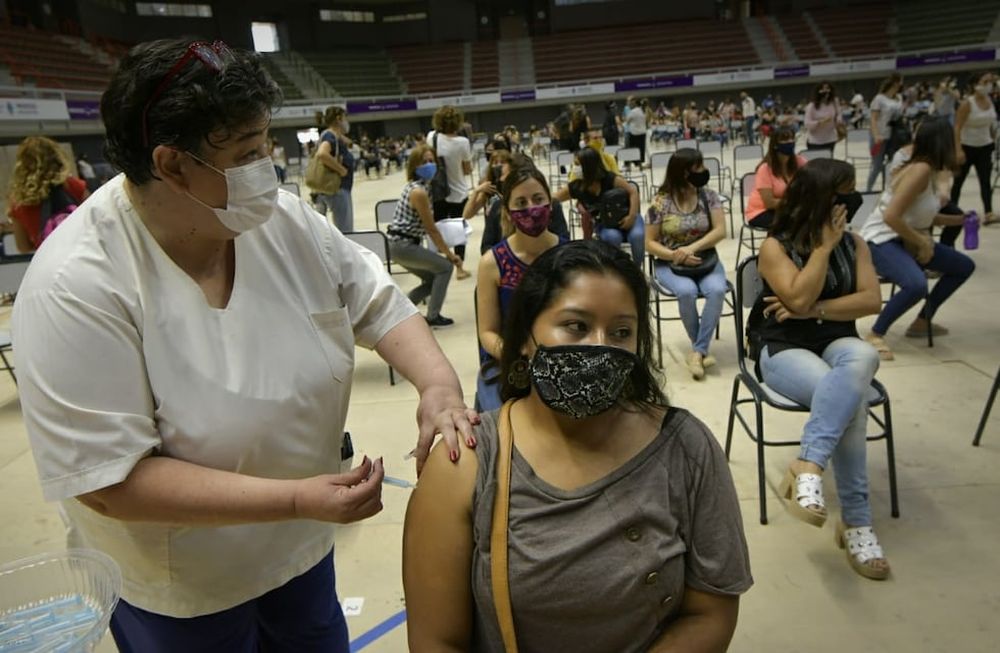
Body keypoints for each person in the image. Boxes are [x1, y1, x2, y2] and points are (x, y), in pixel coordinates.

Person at [11, 39, 477, 653]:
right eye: (249, 151)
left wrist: (437, 385)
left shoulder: (278, 221)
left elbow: (374, 297)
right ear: (173, 165)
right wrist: (292, 496)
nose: (271, 165)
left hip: (300, 546)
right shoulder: (76, 283)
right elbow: (109, 479)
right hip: (184, 588)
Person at [403, 239, 752, 651]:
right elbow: (436, 641)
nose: (600, 344)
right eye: (576, 325)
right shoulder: (465, 463)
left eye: (621, 331)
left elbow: (710, 613)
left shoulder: (687, 448)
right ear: (528, 337)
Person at [755, 158, 890, 580]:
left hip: (836, 341)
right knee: (849, 401)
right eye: (843, 194)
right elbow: (793, 298)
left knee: (864, 357)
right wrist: (823, 249)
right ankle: (857, 522)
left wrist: (813, 310)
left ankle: (808, 465)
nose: (851, 202)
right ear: (820, 198)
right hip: (780, 347)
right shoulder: (776, 246)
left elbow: (871, 301)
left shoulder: (858, 244)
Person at [860, 118, 976, 361]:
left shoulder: (931, 169)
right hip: (881, 239)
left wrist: (958, 221)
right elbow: (891, 216)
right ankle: (875, 333)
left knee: (963, 266)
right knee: (915, 284)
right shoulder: (920, 170)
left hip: (904, 236)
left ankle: (922, 321)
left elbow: (921, 216)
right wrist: (922, 242)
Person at [475, 165, 566, 411]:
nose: (531, 208)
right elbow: (487, 333)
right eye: (521, 202)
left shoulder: (570, 256)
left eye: (538, 199)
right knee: (504, 434)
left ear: (551, 203)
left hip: (562, 361)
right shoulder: (492, 264)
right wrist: (518, 353)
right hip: (508, 365)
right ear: (507, 211)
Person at [645, 148, 728, 380]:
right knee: (687, 291)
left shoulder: (708, 196)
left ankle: (697, 352)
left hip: (705, 259)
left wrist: (691, 248)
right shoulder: (660, 203)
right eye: (698, 168)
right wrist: (675, 255)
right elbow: (649, 243)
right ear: (683, 173)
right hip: (670, 263)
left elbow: (721, 230)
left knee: (717, 290)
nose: (703, 172)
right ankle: (700, 350)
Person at [387, 145, 465, 327]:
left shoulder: (422, 188)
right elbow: (431, 229)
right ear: (415, 166)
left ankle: (399, 314)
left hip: (400, 245)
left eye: (432, 161)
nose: (430, 165)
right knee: (445, 268)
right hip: (403, 245)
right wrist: (449, 254)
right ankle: (433, 316)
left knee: (432, 278)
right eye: (424, 162)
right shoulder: (419, 192)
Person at [554, 147, 644, 265]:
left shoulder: (610, 179)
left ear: (588, 166)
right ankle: (618, 271)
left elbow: (633, 192)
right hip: (606, 224)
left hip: (629, 217)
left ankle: (637, 269)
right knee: (612, 237)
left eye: (577, 164)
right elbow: (554, 198)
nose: (574, 168)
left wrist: (632, 216)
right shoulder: (577, 186)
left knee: (637, 236)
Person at [6, 135, 89, 252]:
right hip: (84, 252)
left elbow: (23, 248)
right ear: (56, 157)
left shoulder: (18, 203)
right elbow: (95, 218)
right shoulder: (73, 185)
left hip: (54, 264)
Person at [477, 154, 570, 254]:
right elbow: (486, 246)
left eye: (505, 175)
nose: (501, 179)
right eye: (521, 202)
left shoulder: (552, 205)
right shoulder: (497, 206)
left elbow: (563, 241)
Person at [427, 104, 473, 279]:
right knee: (459, 233)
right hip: (458, 192)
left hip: (438, 192)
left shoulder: (432, 137)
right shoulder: (462, 142)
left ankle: (437, 267)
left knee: (437, 231)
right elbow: (467, 169)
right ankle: (460, 269)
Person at [951, 71, 999, 225]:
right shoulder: (967, 103)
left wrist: (992, 136)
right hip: (967, 146)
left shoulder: (990, 101)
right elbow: (957, 127)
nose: (989, 85)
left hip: (985, 146)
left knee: (985, 180)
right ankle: (951, 212)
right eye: (985, 82)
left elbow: (991, 121)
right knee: (958, 182)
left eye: (990, 82)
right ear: (975, 85)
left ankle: (988, 212)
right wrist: (958, 150)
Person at [745, 126, 808, 229]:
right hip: (762, 211)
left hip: (787, 208)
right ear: (775, 145)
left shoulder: (799, 161)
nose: (790, 141)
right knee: (795, 223)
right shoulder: (765, 169)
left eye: (792, 138)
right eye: (785, 139)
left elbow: (814, 178)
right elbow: (769, 203)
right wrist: (796, 203)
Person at [314, 105, 356, 232]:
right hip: (338, 188)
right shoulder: (329, 136)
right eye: (345, 118)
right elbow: (322, 154)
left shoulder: (333, 135)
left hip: (341, 188)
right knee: (345, 231)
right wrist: (341, 169)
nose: (346, 122)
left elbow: (347, 141)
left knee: (345, 228)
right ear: (339, 119)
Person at [866, 74, 904, 192]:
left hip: (894, 136)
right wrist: (876, 134)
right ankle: (868, 189)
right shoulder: (879, 99)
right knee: (877, 165)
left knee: (893, 163)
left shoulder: (898, 98)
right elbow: (873, 118)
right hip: (880, 136)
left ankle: (889, 188)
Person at [804, 82, 843, 151]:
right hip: (815, 141)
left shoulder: (834, 102)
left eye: (828, 88)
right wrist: (820, 122)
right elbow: (807, 124)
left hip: (830, 139)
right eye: (823, 89)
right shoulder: (811, 106)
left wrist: (838, 121)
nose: (826, 91)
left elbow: (839, 113)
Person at [624, 96, 648, 163]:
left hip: (634, 134)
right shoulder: (643, 111)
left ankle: (635, 162)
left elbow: (627, 121)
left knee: (633, 149)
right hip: (643, 133)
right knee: (641, 149)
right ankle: (640, 162)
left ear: (635, 104)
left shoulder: (633, 112)